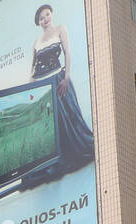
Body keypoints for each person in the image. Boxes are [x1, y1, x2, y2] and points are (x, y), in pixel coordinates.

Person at [31, 4, 95, 174]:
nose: (45, 19)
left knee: (70, 114)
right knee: (54, 122)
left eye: (46, 15)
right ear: (38, 22)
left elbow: (68, 52)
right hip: (43, 85)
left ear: (51, 14)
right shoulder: (36, 42)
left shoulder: (60, 29)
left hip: (59, 78)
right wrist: (30, 91)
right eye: (41, 18)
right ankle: (59, 158)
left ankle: (77, 151)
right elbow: (33, 70)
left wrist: (66, 77)